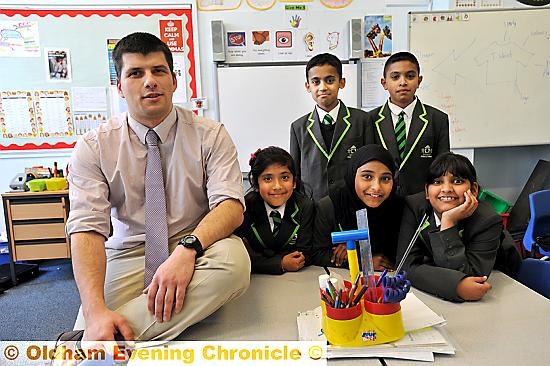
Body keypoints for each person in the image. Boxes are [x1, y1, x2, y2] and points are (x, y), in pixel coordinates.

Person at [65, 32, 251, 342]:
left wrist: (186, 251)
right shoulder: (94, 146)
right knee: (93, 312)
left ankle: (107, 342)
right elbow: (86, 228)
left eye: (158, 71)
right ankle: (108, 332)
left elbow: (230, 206)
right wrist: (96, 310)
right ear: (120, 87)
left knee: (234, 263)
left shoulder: (210, 134)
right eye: (136, 73)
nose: (150, 81)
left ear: (174, 81)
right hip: (128, 252)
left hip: (196, 244)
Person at [396, 152, 521, 302]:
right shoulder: (415, 207)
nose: (446, 189)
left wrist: (448, 222)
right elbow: (406, 265)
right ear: (427, 191)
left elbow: (471, 279)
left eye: (457, 181)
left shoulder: (488, 220)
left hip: (503, 283)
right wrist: (456, 285)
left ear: (474, 190)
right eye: (437, 182)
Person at [290, 53, 373, 202]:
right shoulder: (299, 127)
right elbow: (295, 175)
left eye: (330, 80)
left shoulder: (362, 120)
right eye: (316, 82)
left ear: (341, 82)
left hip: (353, 204)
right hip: (313, 206)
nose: (323, 87)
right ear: (307, 86)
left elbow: (371, 166)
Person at [368, 51, 450, 197]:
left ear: (419, 81)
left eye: (410, 76)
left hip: (422, 199)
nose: (403, 82)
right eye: (395, 77)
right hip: (382, 199)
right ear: (384, 83)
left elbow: (442, 167)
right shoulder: (370, 120)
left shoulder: (437, 119)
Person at [311, 144, 404, 269]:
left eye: (385, 178)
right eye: (367, 176)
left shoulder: (400, 208)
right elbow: (317, 254)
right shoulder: (331, 206)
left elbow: (405, 254)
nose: (376, 187)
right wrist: (363, 261)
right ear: (352, 175)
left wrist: (353, 249)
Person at [235, 146, 314, 274]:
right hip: (254, 279)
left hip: (297, 279)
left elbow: (306, 252)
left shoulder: (305, 206)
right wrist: (280, 263)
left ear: (294, 182)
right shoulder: (246, 207)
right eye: (268, 179)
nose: (277, 186)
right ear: (256, 183)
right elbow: (240, 255)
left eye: (284, 178)